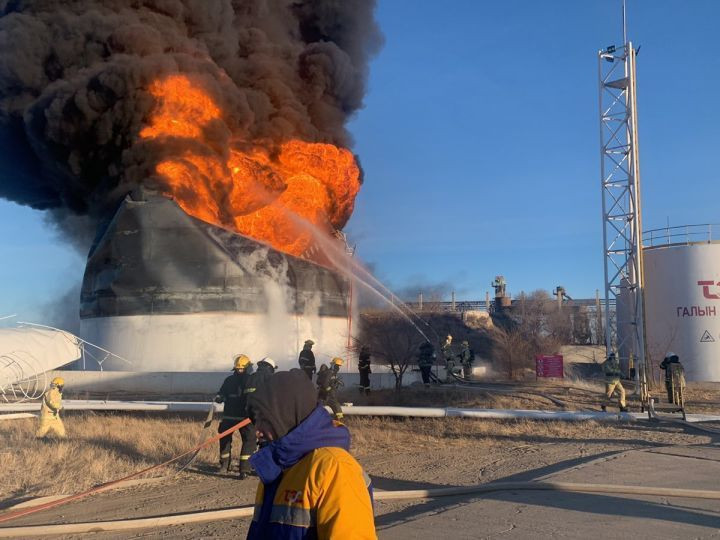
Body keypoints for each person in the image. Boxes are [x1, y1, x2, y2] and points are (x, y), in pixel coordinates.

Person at [246, 369, 376, 539]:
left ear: (286, 416)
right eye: (257, 420)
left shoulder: (334, 469)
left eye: (265, 420)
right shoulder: (278, 468)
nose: (257, 431)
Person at [214, 354, 257, 478]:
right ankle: (244, 469)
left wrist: (219, 397)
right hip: (245, 418)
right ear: (248, 367)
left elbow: (221, 395)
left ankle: (224, 466)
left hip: (228, 417)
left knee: (225, 440)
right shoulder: (250, 380)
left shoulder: (228, 380)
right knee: (249, 441)